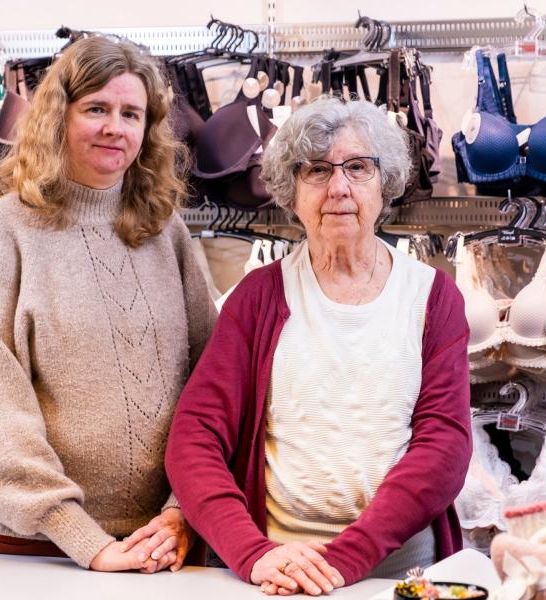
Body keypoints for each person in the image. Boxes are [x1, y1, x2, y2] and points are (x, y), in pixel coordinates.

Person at [165, 97, 472, 595]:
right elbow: (194, 438)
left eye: (357, 167)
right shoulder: (258, 297)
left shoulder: (431, 297)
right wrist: (251, 552)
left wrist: (346, 559)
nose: (338, 188)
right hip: (278, 577)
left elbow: (445, 446)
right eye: (316, 170)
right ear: (291, 189)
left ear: (384, 181)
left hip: (402, 576)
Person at [0, 36, 216, 574]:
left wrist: (179, 511)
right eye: (96, 108)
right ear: (57, 117)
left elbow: (211, 383)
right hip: (36, 550)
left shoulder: (165, 232)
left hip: (162, 546)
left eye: (131, 113)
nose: (114, 128)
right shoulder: (5, 232)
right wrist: (84, 541)